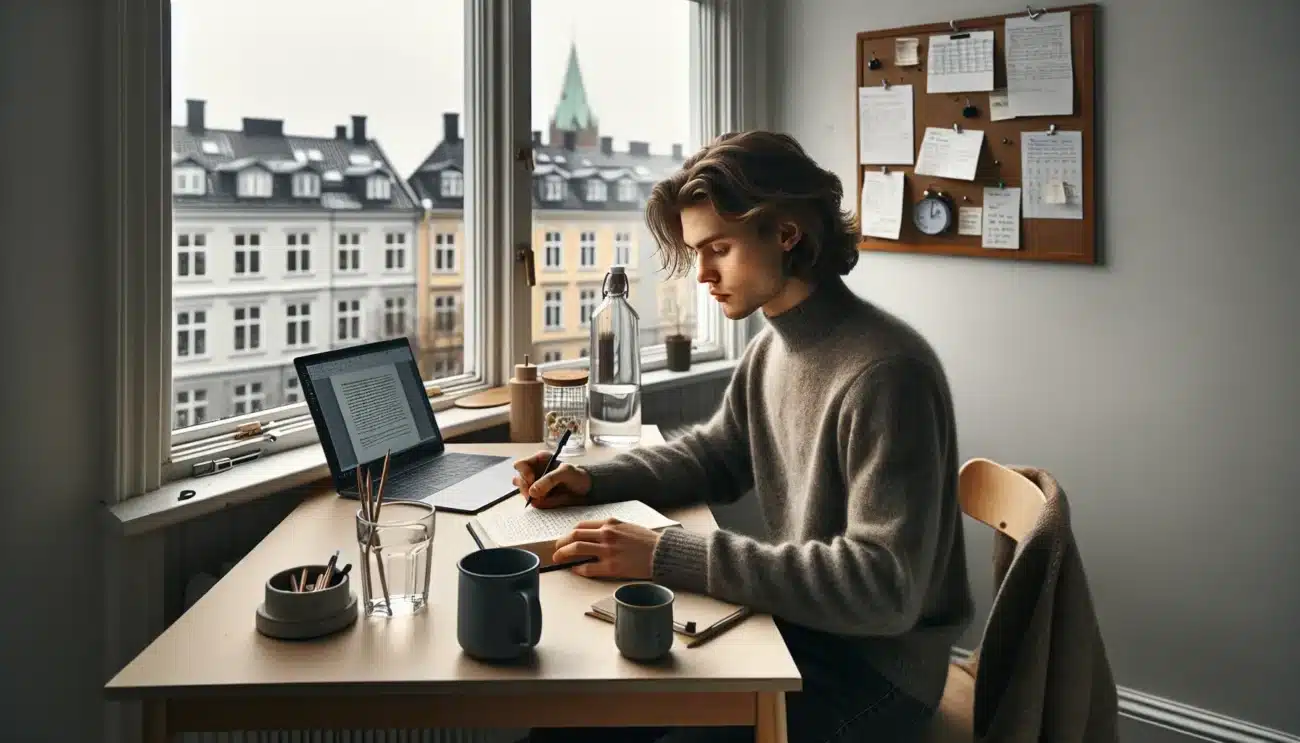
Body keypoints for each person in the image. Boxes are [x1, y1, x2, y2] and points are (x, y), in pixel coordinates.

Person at [513, 131, 975, 743]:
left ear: (787, 234)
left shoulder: (887, 373)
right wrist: (594, 478)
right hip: (800, 633)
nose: (702, 273)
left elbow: (882, 587)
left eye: (719, 248)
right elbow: (716, 456)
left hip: (876, 676)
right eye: (696, 251)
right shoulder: (772, 349)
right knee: (570, 726)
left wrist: (666, 553)